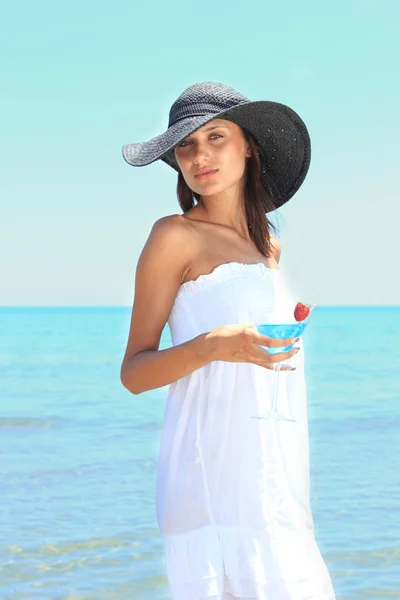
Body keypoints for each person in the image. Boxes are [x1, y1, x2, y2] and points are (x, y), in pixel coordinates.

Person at [120, 82, 336, 600]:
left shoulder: (268, 245)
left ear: (249, 146)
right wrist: (212, 346)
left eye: (215, 137)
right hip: (210, 475)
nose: (199, 156)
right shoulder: (173, 235)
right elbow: (134, 372)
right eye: (186, 146)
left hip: (273, 472)